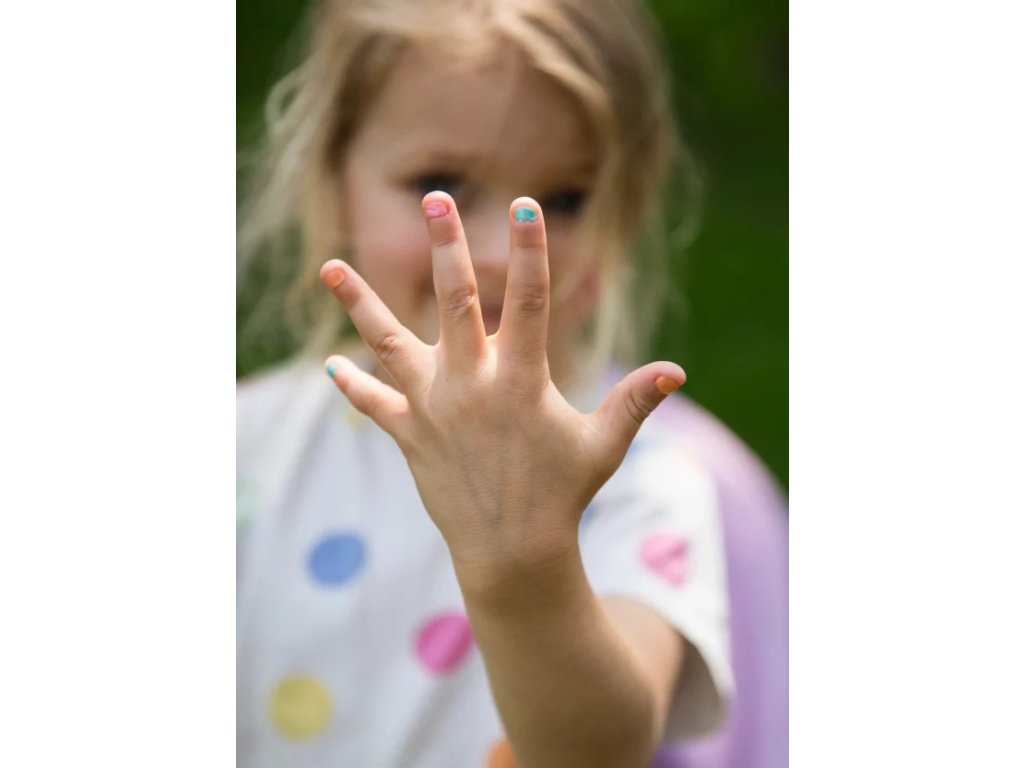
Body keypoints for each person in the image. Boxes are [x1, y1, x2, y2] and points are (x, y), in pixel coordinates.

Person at [237, 1, 773, 765]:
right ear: (332, 180)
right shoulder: (247, 449)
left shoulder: (642, 478)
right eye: (440, 184)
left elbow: (602, 751)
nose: (495, 251)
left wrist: (524, 560)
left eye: (567, 199)